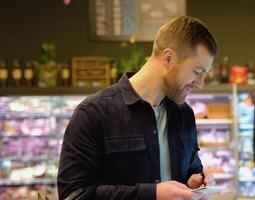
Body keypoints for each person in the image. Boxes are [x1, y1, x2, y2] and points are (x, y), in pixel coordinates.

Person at [57, 16, 218, 200]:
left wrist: (194, 183)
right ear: (168, 58)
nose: (200, 84)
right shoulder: (93, 113)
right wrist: (152, 194)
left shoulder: (185, 114)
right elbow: (73, 195)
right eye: (197, 72)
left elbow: (192, 169)